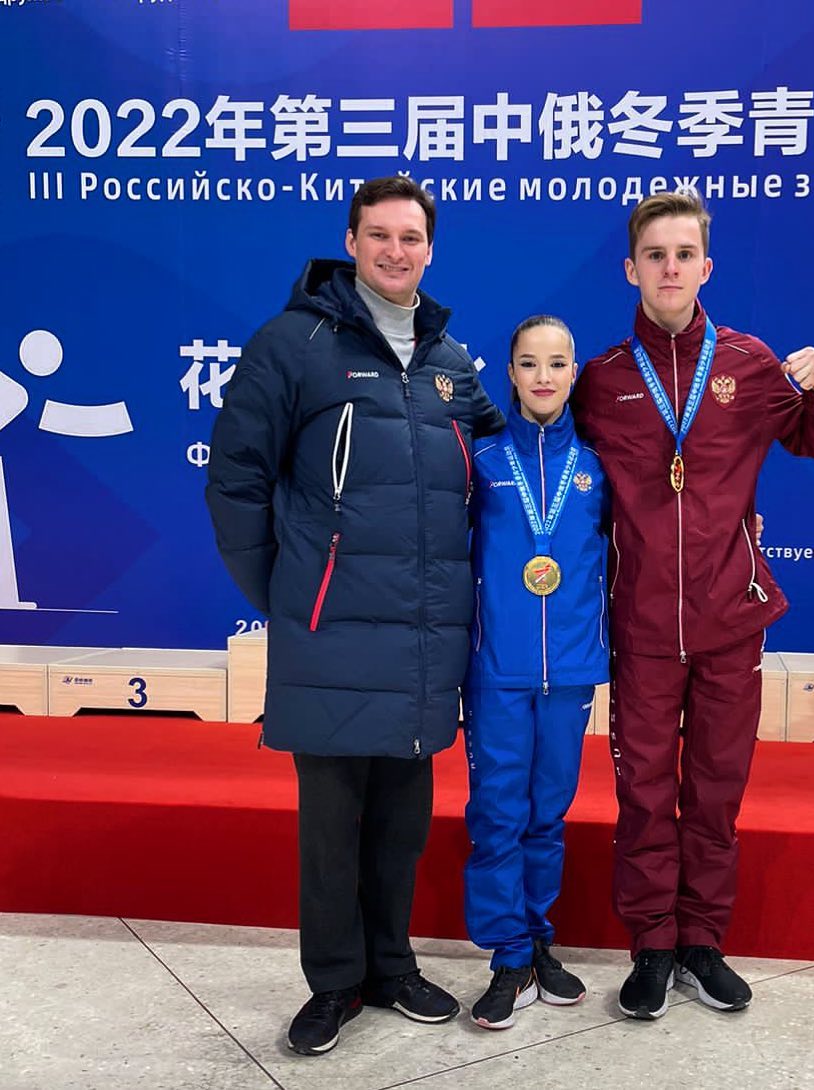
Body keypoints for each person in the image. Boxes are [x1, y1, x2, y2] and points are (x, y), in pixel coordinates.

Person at [205, 176, 505, 1055]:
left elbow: (513, 460)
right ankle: (335, 982)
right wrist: (287, 592)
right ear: (351, 241)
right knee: (332, 829)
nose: (395, 251)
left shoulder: (451, 363)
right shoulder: (293, 344)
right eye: (379, 235)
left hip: (424, 639)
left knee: (401, 824)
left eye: (411, 237)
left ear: (431, 250)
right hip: (329, 633)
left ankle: (391, 966)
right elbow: (235, 478)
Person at [571, 191, 814, 1020]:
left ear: (706, 267)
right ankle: (652, 945)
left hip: (731, 617)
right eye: (655, 255)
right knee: (645, 795)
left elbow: (813, 437)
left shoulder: (749, 363)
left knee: (717, 790)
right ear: (631, 269)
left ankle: (702, 941)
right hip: (642, 624)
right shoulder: (602, 380)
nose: (670, 268)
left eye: (684, 254)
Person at [461, 315, 610, 1029]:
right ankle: (507, 955)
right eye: (529, 363)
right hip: (497, 669)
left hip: (571, 669)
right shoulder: (483, 461)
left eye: (556, 363)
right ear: (510, 373)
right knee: (498, 815)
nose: (543, 377)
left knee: (548, 814)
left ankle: (538, 940)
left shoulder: (599, 466)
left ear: (574, 373)